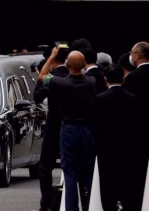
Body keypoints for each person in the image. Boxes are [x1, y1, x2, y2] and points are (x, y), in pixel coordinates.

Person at [39, 47, 96, 211]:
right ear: (84, 64)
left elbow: (42, 76)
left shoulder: (61, 83)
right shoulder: (91, 82)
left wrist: (52, 57)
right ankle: (90, 204)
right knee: (89, 169)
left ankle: (72, 208)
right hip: (86, 129)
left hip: (69, 129)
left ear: (67, 65)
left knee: (69, 170)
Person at [90, 64, 137, 211]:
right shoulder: (132, 99)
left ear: (105, 79)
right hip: (127, 148)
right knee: (127, 182)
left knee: (107, 184)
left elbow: (94, 126)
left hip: (106, 148)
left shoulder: (99, 99)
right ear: (123, 78)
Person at [34, 45, 69, 211]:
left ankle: (46, 203)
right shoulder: (73, 75)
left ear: (52, 59)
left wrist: (39, 78)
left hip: (54, 125)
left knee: (45, 166)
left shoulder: (51, 77)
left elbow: (37, 97)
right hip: (71, 125)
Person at [122, 41, 149, 211]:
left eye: (132, 52)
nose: (130, 56)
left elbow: (127, 106)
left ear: (138, 55)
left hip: (136, 132)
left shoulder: (132, 78)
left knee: (136, 173)